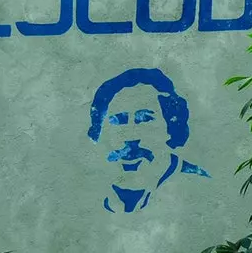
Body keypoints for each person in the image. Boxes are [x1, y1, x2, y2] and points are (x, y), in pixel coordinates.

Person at [88, 67, 209, 213]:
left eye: (145, 120)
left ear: (170, 127)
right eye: (118, 121)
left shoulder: (197, 188)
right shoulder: (88, 192)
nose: (131, 138)